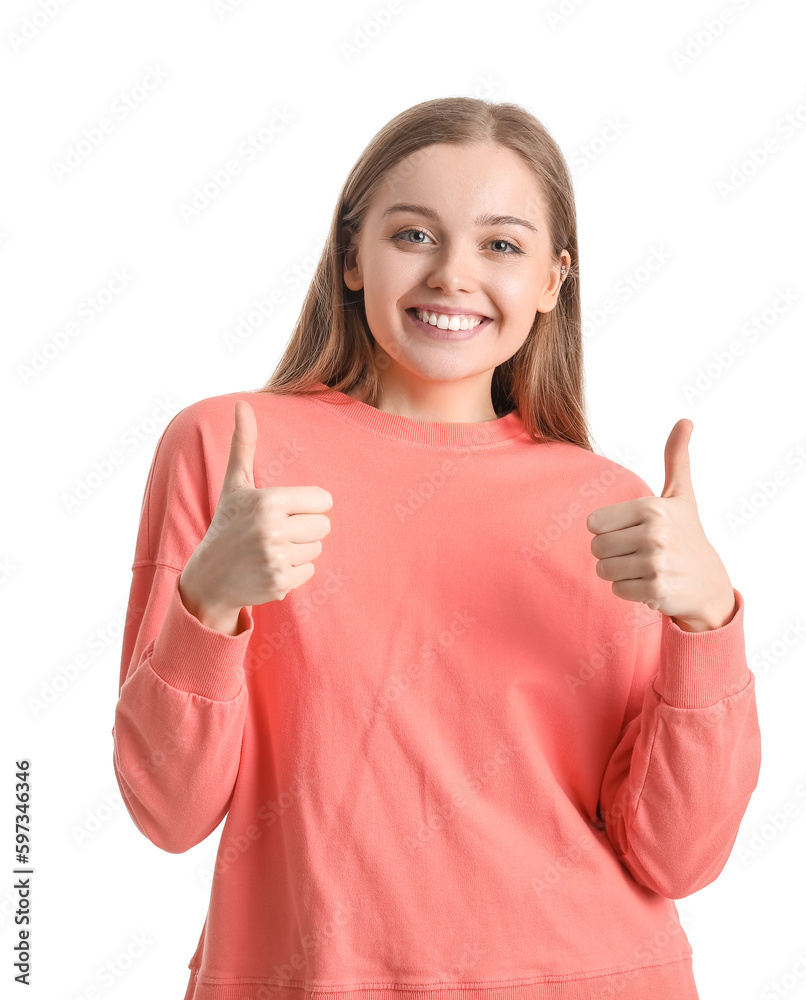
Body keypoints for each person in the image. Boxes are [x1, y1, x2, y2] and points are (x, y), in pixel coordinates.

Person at [112, 96, 761, 1000]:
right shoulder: (229, 454)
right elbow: (167, 809)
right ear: (350, 255)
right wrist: (207, 605)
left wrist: (707, 624)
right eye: (412, 235)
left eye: (501, 245)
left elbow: (678, 857)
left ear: (551, 280)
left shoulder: (608, 507)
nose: (452, 274)